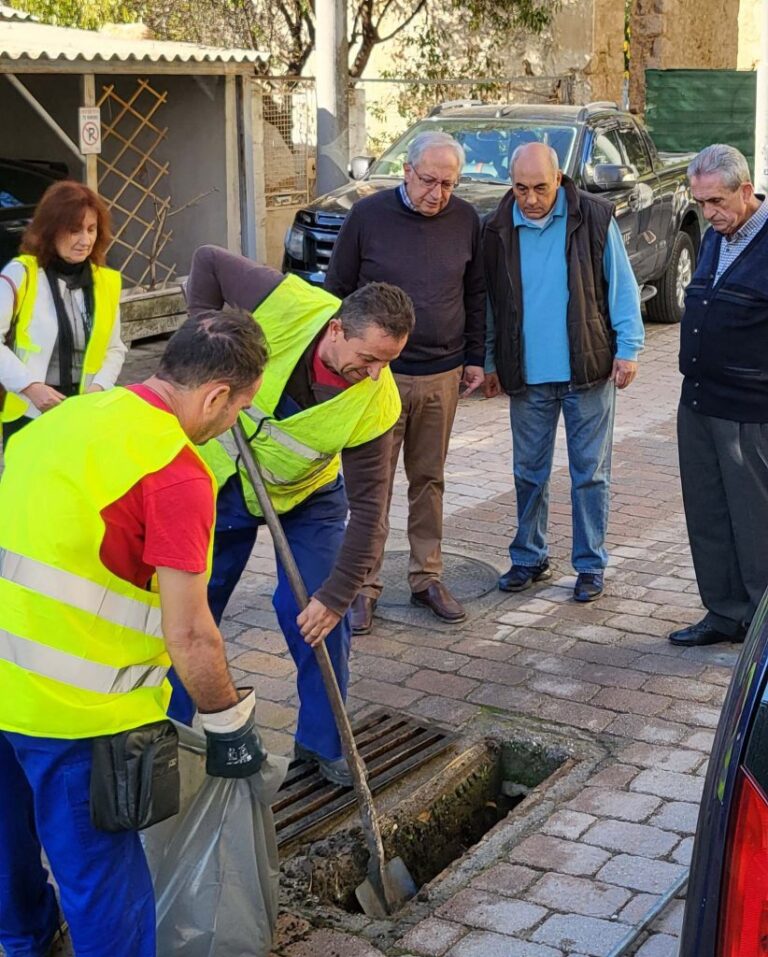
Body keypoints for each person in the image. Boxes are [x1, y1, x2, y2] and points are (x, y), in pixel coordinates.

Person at [0, 310, 269, 957]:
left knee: (8, 840)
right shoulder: (175, 472)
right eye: (240, 409)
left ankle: (21, 940)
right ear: (214, 395)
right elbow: (192, 634)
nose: (234, 424)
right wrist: (228, 725)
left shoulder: (60, 419)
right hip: (76, 712)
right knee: (101, 879)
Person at [186, 245, 415, 786]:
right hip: (225, 482)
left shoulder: (377, 401)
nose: (375, 372)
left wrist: (337, 596)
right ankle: (164, 733)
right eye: (369, 357)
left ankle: (322, 742)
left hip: (308, 496)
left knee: (315, 612)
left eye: (388, 362)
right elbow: (208, 262)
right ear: (336, 329)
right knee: (191, 614)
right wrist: (205, 343)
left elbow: (370, 510)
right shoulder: (287, 302)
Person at [325, 131, 486, 634]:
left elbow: (475, 291)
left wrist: (476, 357)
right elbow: (336, 293)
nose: (438, 194)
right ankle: (362, 586)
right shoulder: (367, 217)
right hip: (377, 378)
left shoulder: (465, 220)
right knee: (372, 487)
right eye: (430, 181)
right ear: (406, 173)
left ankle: (427, 576)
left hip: (442, 372)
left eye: (449, 184)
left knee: (429, 480)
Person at [483, 142, 644, 602]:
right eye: (520, 188)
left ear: (558, 179)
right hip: (527, 375)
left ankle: (590, 564)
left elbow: (621, 284)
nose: (530, 198)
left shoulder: (593, 217)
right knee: (528, 472)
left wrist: (629, 347)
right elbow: (491, 304)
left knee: (590, 474)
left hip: (587, 370)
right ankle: (529, 557)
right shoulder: (496, 229)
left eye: (539, 187)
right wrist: (491, 360)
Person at [667, 144, 768, 647]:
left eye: (717, 201)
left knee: (756, 525)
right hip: (699, 404)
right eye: (701, 202)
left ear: (746, 190)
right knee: (707, 514)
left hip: (750, 414)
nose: (708, 213)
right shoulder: (713, 236)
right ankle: (724, 614)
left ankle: (762, 631)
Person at [0, 180, 126, 448]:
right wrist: (31, 387)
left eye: (91, 229)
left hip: (85, 412)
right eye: (74, 230)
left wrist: (98, 390)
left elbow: (115, 349)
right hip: (29, 411)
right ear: (50, 231)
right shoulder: (21, 274)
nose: (85, 240)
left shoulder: (105, 282)